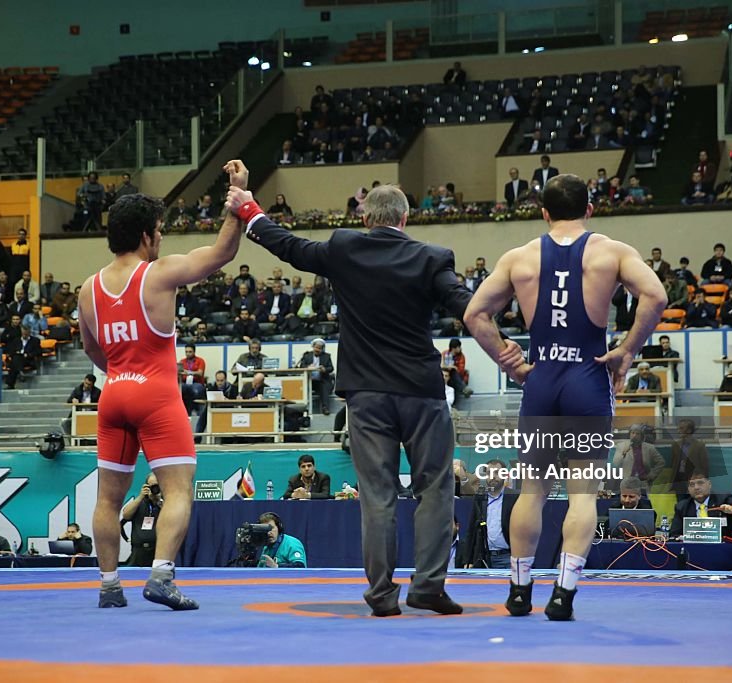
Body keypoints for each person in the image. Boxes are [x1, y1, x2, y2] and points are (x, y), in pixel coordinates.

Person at [226, 161, 518, 617]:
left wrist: (248, 209)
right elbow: (467, 307)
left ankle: (382, 595)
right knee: (436, 491)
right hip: (422, 392)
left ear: (366, 219)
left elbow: (287, 246)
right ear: (405, 219)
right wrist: (504, 347)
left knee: (378, 495)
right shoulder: (431, 257)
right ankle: (428, 587)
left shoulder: (344, 248)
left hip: (366, 396)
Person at [463, 173, 666, 620]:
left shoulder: (520, 257)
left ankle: (519, 591)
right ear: (590, 210)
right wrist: (627, 351)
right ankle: (563, 595)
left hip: (542, 379)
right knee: (582, 494)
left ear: (544, 212)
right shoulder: (611, 251)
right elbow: (655, 295)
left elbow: (475, 313)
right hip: (587, 378)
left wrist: (508, 361)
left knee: (532, 490)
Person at [78, 177, 243, 610]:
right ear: (146, 234)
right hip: (155, 393)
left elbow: (91, 348)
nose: (162, 238)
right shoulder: (159, 274)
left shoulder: (88, 289)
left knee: (108, 499)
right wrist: (237, 203)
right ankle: (162, 576)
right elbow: (222, 253)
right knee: (177, 490)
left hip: (113, 393)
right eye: (160, 230)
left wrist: (120, 374)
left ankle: (110, 586)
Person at [459, 460, 515, 569]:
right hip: (484, 557)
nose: (492, 477)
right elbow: (472, 530)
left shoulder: (513, 497)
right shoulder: (481, 497)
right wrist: (468, 560)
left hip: (507, 557)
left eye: (497, 473)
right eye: (489, 473)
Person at [670, 472, 732, 539]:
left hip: (723, 548)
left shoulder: (723, 499)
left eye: (700, 483)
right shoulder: (682, 507)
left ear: (709, 484)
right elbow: (674, 534)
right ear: (688, 489)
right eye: (692, 485)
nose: (696, 487)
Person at [121, 474, 164, 567]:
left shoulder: (166, 502)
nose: (154, 488)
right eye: (151, 485)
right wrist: (141, 496)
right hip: (138, 551)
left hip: (160, 551)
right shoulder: (139, 502)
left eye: (157, 485)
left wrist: (159, 502)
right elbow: (126, 515)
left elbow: (173, 519)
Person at [297, 338, 334, 415]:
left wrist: (324, 369)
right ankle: (302, 409)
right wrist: (307, 367)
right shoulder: (307, 355)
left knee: (324, 387)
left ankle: (325, 408)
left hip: (321, 380)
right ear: (313, 347)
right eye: (316, 347)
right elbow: (301, 366)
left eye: (320, 348)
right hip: (309, 380)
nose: (317, 350)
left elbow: (331, 368)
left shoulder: (326, 356)